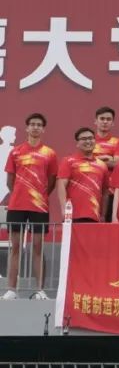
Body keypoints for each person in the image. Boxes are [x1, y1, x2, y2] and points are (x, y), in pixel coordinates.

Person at [2, 114, 57, 301]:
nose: (35, 127)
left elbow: (51, 181)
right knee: (15, 247)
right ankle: (11, 289)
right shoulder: (16, 152)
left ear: (43, 129)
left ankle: (40, 290)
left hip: (39, 207)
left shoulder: (49, 153)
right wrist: (21, 194)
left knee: (38, 246)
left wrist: (38, 196)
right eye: (32, 124)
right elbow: (10, 180)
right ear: (27, 128)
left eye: (39, 125)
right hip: (17, 205)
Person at [57, 128, 109, 223]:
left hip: (95, 216)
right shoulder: (68, 161)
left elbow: (105, 192)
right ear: (77, 143)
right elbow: (61, 185)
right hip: (73, 215)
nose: (88, 141)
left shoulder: (102, 165)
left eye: (91, 138)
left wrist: (103, 215)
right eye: (84, 139)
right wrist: (64, 209)